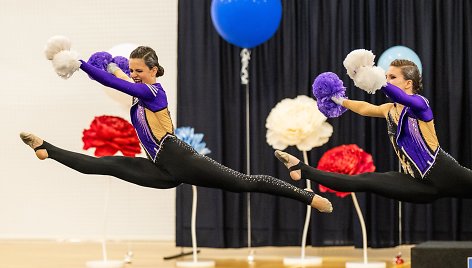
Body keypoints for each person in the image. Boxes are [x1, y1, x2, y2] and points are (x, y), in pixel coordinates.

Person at [20, 46, 333, 213]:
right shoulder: (137, 89)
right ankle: (45, 147)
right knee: (108, 165)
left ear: (154, 71)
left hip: (179, 157)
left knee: (244, 182)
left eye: (140, 70)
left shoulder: (154, 93)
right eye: (132, 71)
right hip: (162, 169)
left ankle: (306, 196)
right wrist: (110, 64)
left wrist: (80, 64)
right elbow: (118, 76)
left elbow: (113, 81)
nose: (134, 75)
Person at [275, 59, 472, 203]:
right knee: (366, 181)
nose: (387, 80)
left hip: (444, 172)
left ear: (408, 83)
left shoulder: (420, 105)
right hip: (418, 183)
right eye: (385, 76)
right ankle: (303, 169)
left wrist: (376, 80)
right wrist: (337, 100)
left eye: (392, 77)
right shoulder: (388, 110)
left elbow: (404, 99)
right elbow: (363, 107)